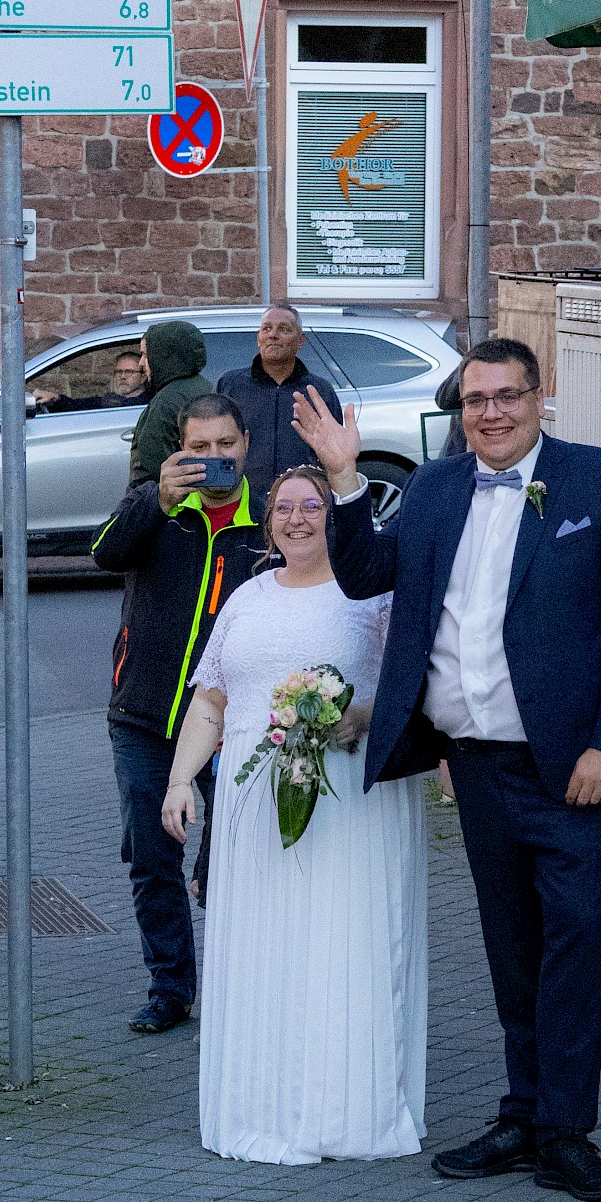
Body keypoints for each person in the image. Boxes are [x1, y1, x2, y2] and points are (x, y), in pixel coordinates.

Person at [293, 336, 601, 1202]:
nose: (491, 413)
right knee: (511, 945)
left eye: (506, 396)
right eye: (475, 401)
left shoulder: (600, 480)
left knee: (572, 942)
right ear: (460, 412)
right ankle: (525, 1112)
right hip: (477, 765)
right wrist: (346, 482)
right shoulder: (434, 487)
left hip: (573, 767)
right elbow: (368, 576)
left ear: (540, 399)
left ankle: (567, 1134)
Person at [161, 466, 427, 1164]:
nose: (298, 518)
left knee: (339, 943)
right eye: (284, 507)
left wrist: (357, 716)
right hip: (254, 802)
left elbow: (411, 690)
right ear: (269, 519)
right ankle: (261, 1101)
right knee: (265, 946)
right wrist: (181, 780)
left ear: (335, 516)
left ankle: (343, 1107)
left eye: (313, 505)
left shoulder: (370, 596)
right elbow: (212, 701)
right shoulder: (245, 599)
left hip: (349, 799)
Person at [92, 394, 261, 1033]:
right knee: (151, 857)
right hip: (143, 712)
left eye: (225, 446)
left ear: (245, 443)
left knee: (232, 855)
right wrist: (154, 502)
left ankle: (235, 980)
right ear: (179, 450)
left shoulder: (268, 518)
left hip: (231, 721)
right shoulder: (161, 506)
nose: (213, 460)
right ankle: (172, 988)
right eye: (199, 448)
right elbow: (104, 553)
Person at [216, 303, 342, 515]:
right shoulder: (230, 385)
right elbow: (216, 447)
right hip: (243, 504)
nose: (273, 335)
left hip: (302, 507)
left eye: (284, 329)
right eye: (267, 329)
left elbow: (335, 453)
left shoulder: (318, 391)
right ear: (258, 338)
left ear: (300, 340)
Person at [129, 320, 212, 486]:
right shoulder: (206, 387)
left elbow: (149, 468)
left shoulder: (166, 403)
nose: (141, 363)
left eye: (146, 355)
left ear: (162, 355)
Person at [33, 350, 150, 414]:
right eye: (119, 372)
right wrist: (56, 398)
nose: (122, 376)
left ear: (143, 377)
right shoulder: (110, 400)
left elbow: (122, 405)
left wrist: (110, 401)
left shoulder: (148, 402)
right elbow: (79, 405)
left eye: (129, 372)